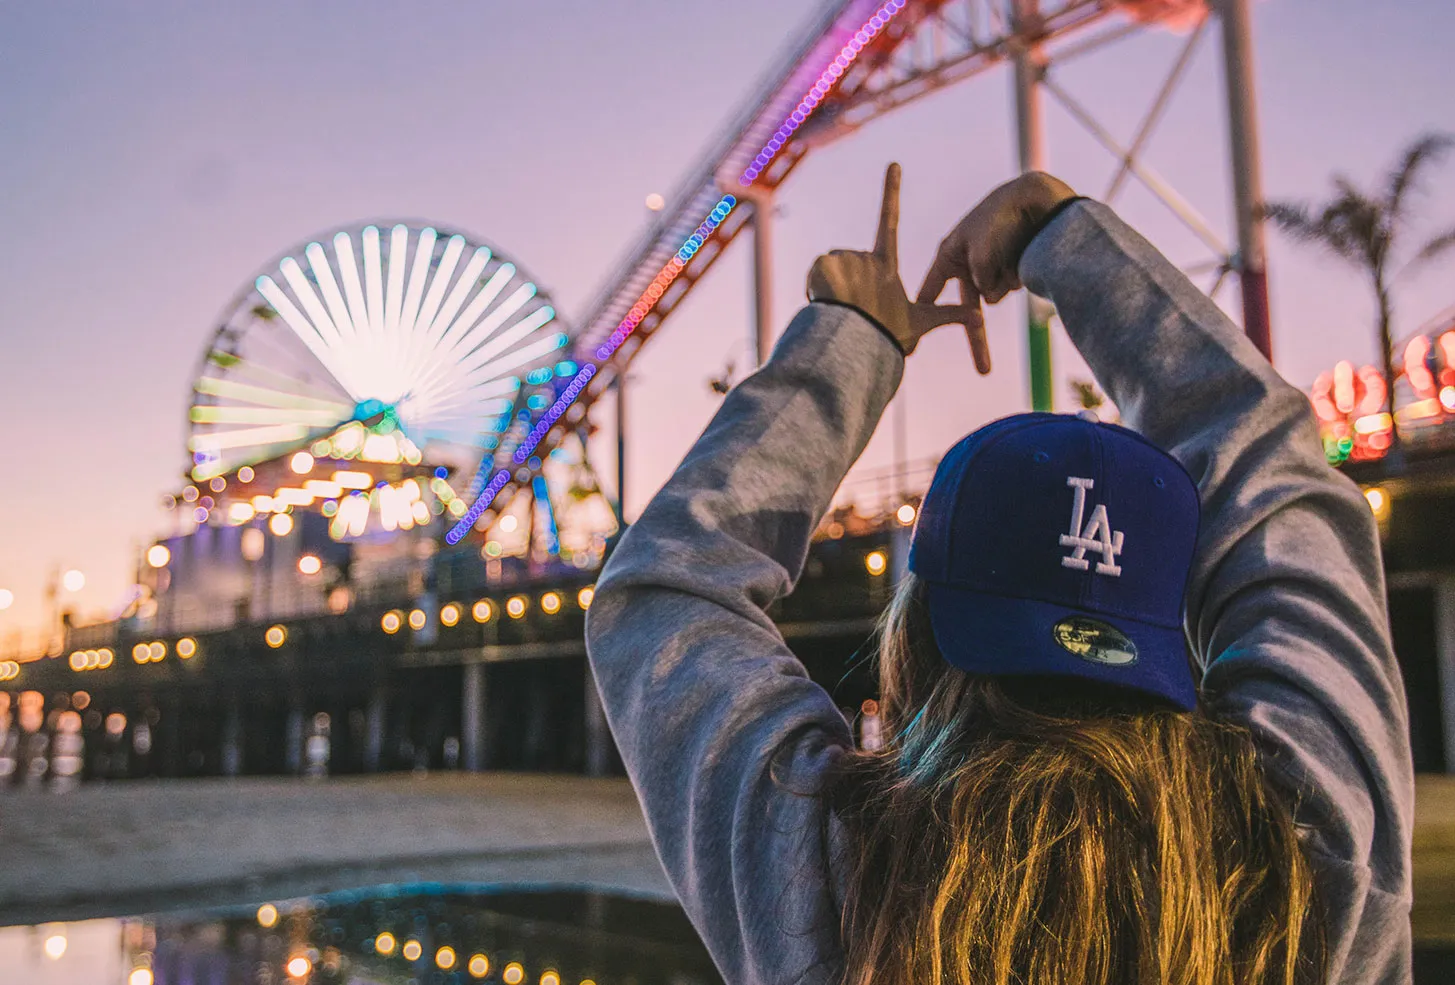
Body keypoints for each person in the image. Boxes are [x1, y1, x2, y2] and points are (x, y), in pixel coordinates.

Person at [583, 165, 1413, 985]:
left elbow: (665, 585)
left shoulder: (829, 871)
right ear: (1167, 625)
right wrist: (1069, 236)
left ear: (915, 627)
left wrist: (850, 341)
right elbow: (1275, 469)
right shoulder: (1307, 847)